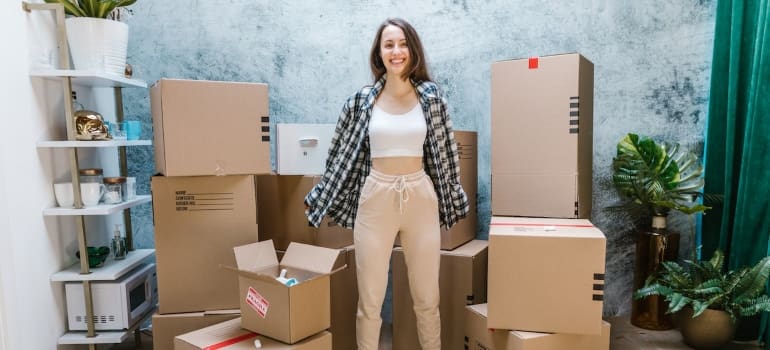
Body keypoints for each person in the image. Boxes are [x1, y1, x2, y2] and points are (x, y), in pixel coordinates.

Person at [304, 17, 469, 350]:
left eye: (403, 43)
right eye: (389, 44)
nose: (397, 51)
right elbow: (338, 156)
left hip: (420, 197)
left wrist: (453, 195)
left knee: (427, 299)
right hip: (376, 197)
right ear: (379, 53)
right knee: (370, 302)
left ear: (413, 49)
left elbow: (448, 155)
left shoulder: (432, 98)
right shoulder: (360, 102)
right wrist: (321, 194)